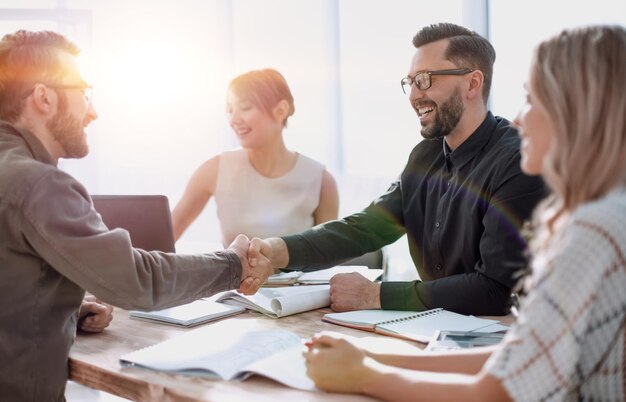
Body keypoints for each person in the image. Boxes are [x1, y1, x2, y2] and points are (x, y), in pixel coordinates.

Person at [304, 24, 626, 401]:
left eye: (532, 99)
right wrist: (373, 356)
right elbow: (514, 358)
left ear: (577, 112)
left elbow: (497, 392)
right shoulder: (605, 214)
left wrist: (365, 376)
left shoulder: (591, 230)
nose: (519, 118)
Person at [0, 30, 273, 401]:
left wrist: (65, 308)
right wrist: (234, 265)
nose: (92, 112)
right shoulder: (38, 185)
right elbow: (137, 281)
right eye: (83, 92)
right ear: (43, 97)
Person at [249, 23, 546, 315]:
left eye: (426, 80)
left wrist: (374, 295)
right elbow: (365, 228)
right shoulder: (424, 156)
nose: (414, 96)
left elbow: (494, 290)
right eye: (411, 82)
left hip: (495, 343)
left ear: (472, 83)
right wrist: (273, 251)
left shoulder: (518, 162)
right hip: (429, 332)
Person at [172, 68, 339, 247]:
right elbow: (170, 230)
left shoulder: (321, 181)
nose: (234, 119)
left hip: (298, 276)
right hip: (235, 276)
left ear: (280, 111)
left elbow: (326, 254)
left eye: (245, 108)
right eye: (229, 109)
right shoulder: (215, 170)